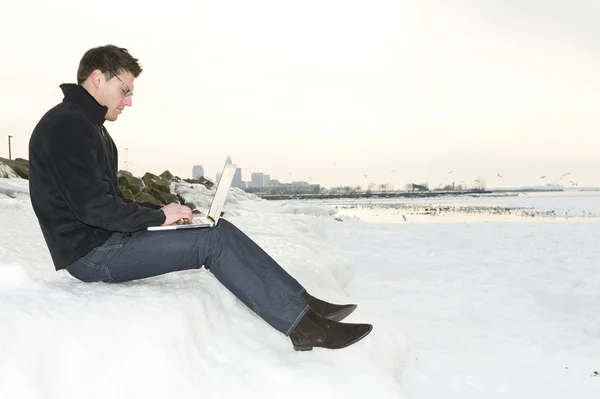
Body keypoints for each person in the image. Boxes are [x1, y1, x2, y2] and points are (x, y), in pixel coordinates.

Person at [28, 45, 372, 351]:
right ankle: (303, 328)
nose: (129, 101)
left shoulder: (94, 130)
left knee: (218, 229)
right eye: (125, 90)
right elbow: (93, 208)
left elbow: (109, 200)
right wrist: (157, 217)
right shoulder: (67, 127)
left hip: (108, 239)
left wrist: (163, 211)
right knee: (211, 244)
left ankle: (304, 303)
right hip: (91, 254)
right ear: (98, 78)